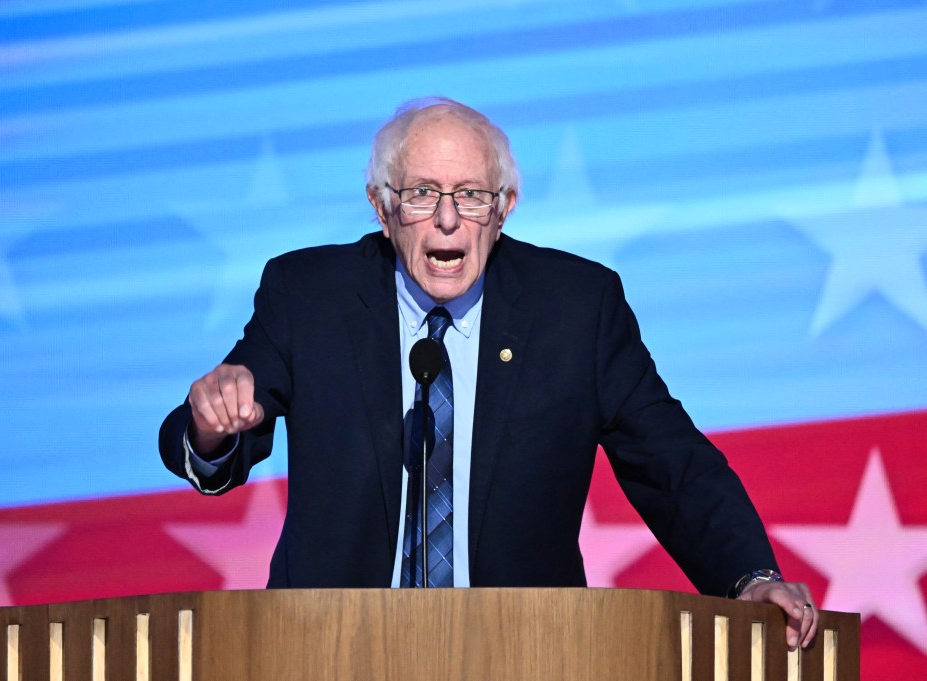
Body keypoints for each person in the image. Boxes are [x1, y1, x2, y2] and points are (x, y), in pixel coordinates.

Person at [159, 97, 818, 650]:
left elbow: (674, 466)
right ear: (381, 207)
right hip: (331, 650)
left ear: (504, 208)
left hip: (525, 652)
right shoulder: (309, 295)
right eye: (422, 194)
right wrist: (212, 426)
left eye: (470, 196)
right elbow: (219, 430)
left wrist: (748, 577)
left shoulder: (576, 309)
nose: (448, 219)